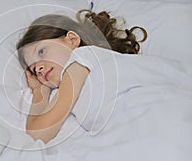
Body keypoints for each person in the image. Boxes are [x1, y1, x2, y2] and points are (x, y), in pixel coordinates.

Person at [16, 9, 147, 144]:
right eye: (34, 70)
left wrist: (38, 92)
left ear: (72, 40)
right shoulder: (87, 70)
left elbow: (37, 134)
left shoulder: (81, 59)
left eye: (41, 51)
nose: (39, 68)